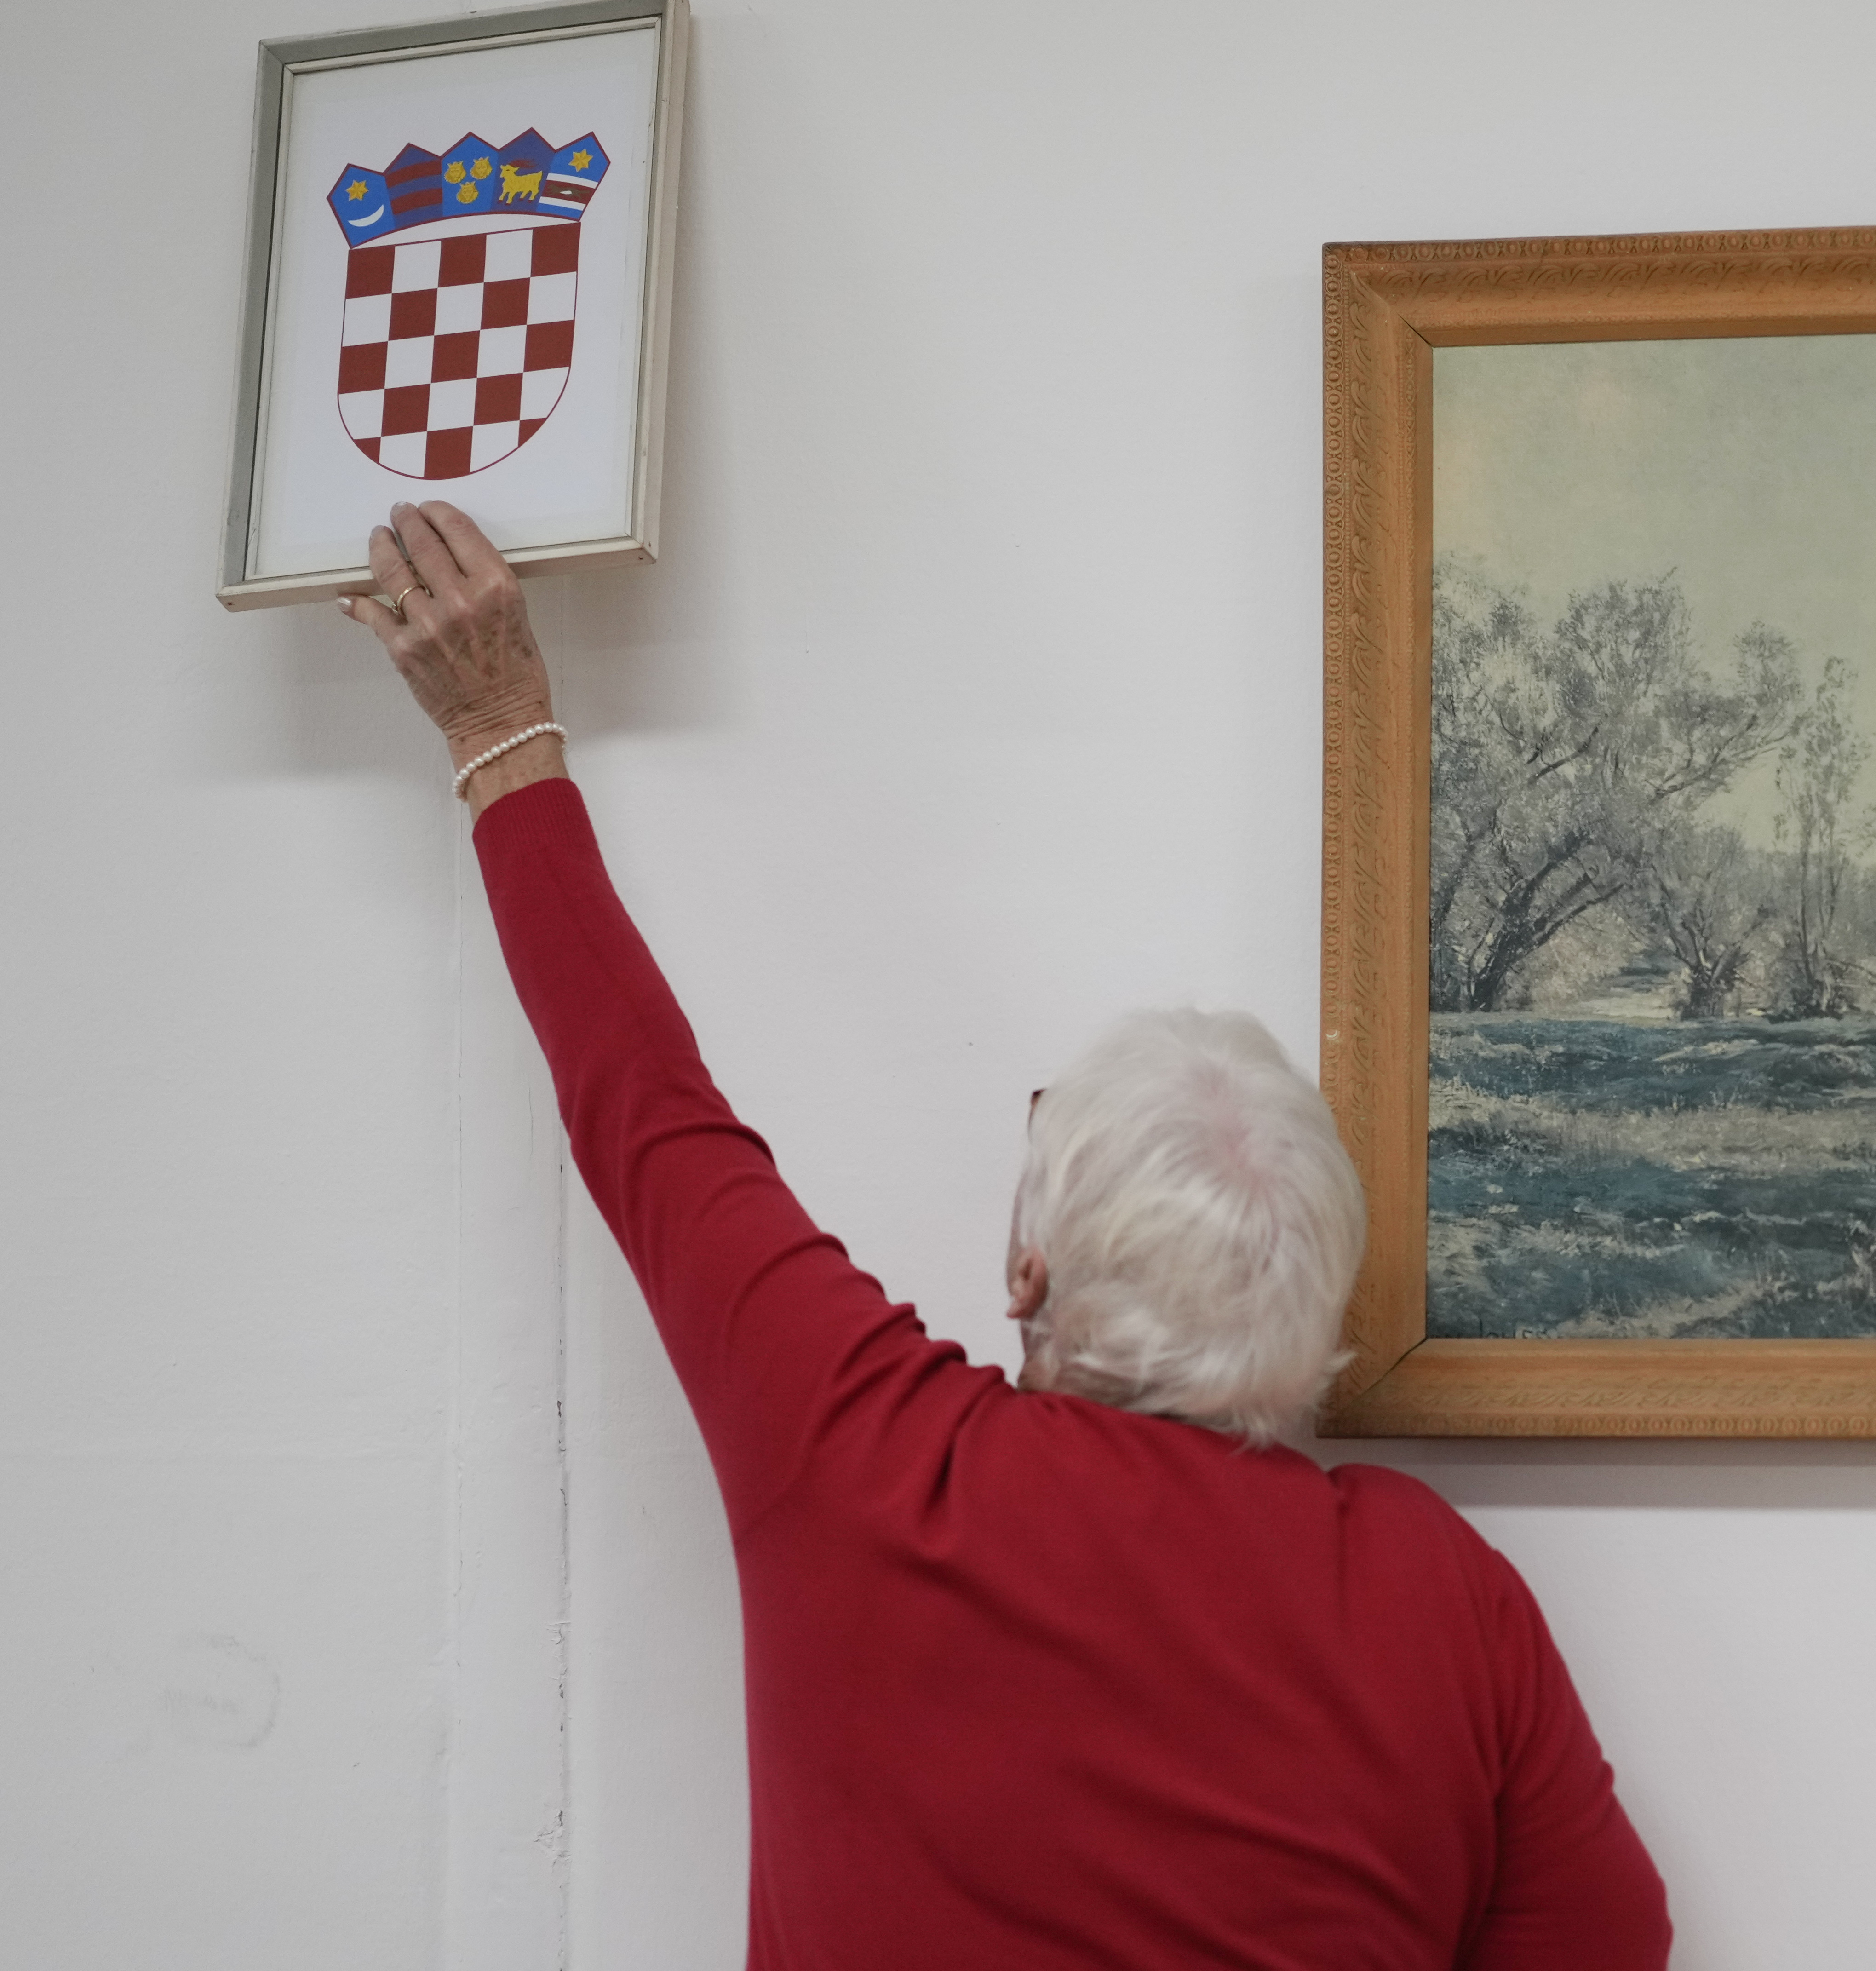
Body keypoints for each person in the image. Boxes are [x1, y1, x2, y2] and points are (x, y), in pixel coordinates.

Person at [344, 503, 1671, 1970]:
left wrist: (500, 730)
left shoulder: (869, 1455)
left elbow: (643, 1107)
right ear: (1313, 1308)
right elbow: (1611, 1937)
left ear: (1028, 1268)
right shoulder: (1443, 1591)